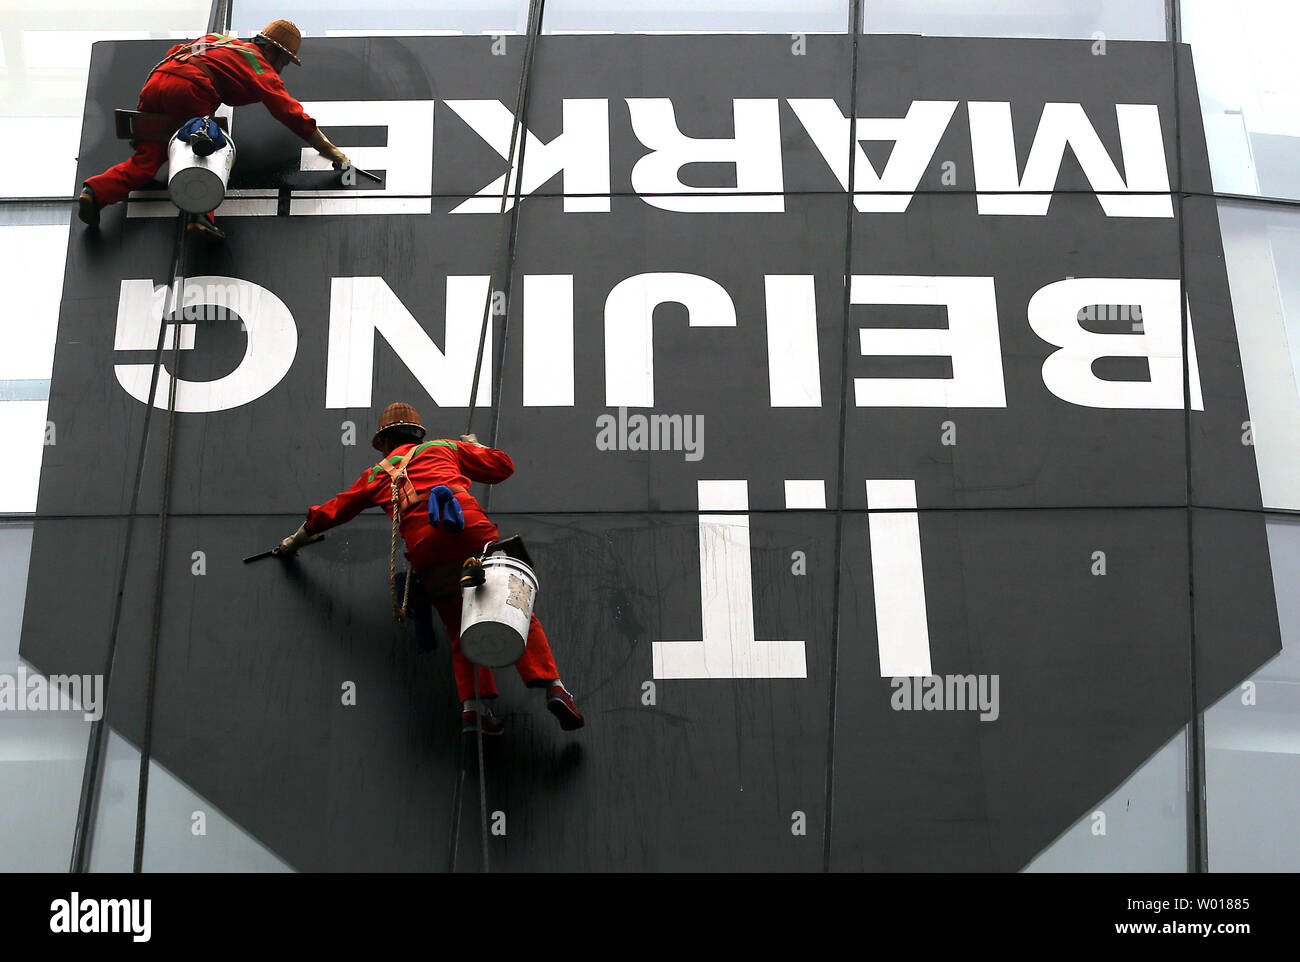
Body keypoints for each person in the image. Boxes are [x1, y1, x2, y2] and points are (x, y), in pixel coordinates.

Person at [276, 402, 585, 736]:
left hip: (427, 550)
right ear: (418, 434)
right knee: (515, 607)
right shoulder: (443, 448)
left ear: (383, 443)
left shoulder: (377, 475)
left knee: (460, 628)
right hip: (469, 531)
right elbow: (501, 467)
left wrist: (294, 541)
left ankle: (475, 711)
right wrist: (476, 446)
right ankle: (553, 687)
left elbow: (330, 512)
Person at [78, 19, 349, 240]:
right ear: (272, 51)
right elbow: (290, 112)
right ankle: (200, 216)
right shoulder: (258, 65)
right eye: (285, 61)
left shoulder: (222, 41)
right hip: (191, 88)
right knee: (205, 148)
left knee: (147, 160)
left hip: (157, 83)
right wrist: (332, 151)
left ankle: (96, 193)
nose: (282, 69)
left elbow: (174, 52)